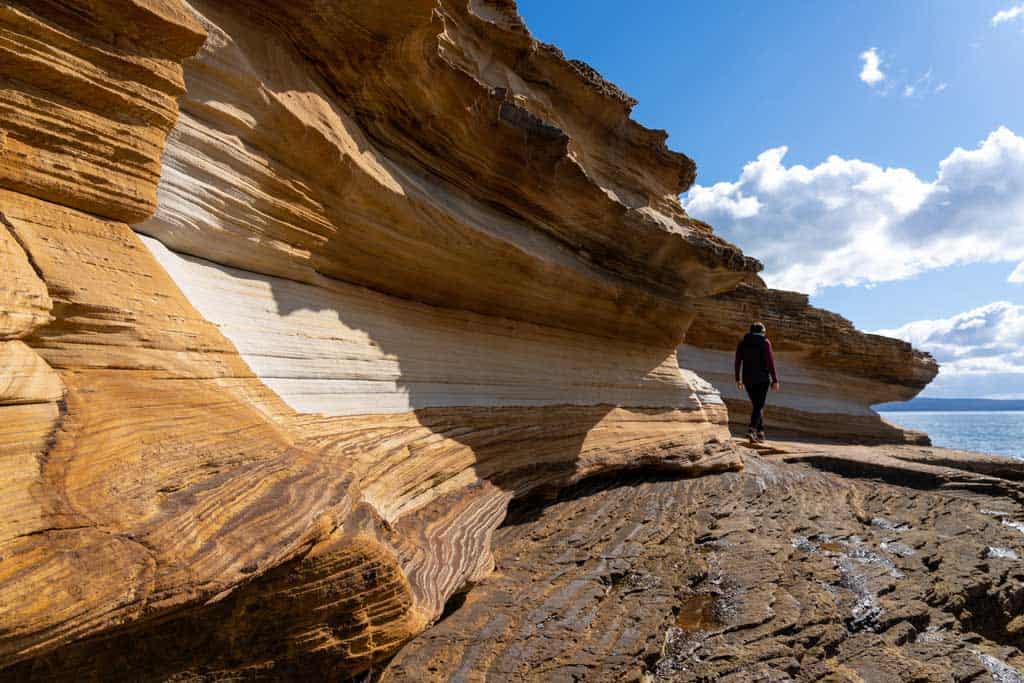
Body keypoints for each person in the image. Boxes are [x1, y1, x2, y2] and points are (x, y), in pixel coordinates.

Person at [734, 322, 780, 443]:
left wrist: (737, 379)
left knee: (757, 405)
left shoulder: (742, 343)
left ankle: (760, 433)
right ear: (762, 331)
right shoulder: (765, 342)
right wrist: (775, 380)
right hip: (762, 379)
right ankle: (751, 430)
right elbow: (770, 362)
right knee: (759, 405)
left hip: (747, 379)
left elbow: (738, 361)